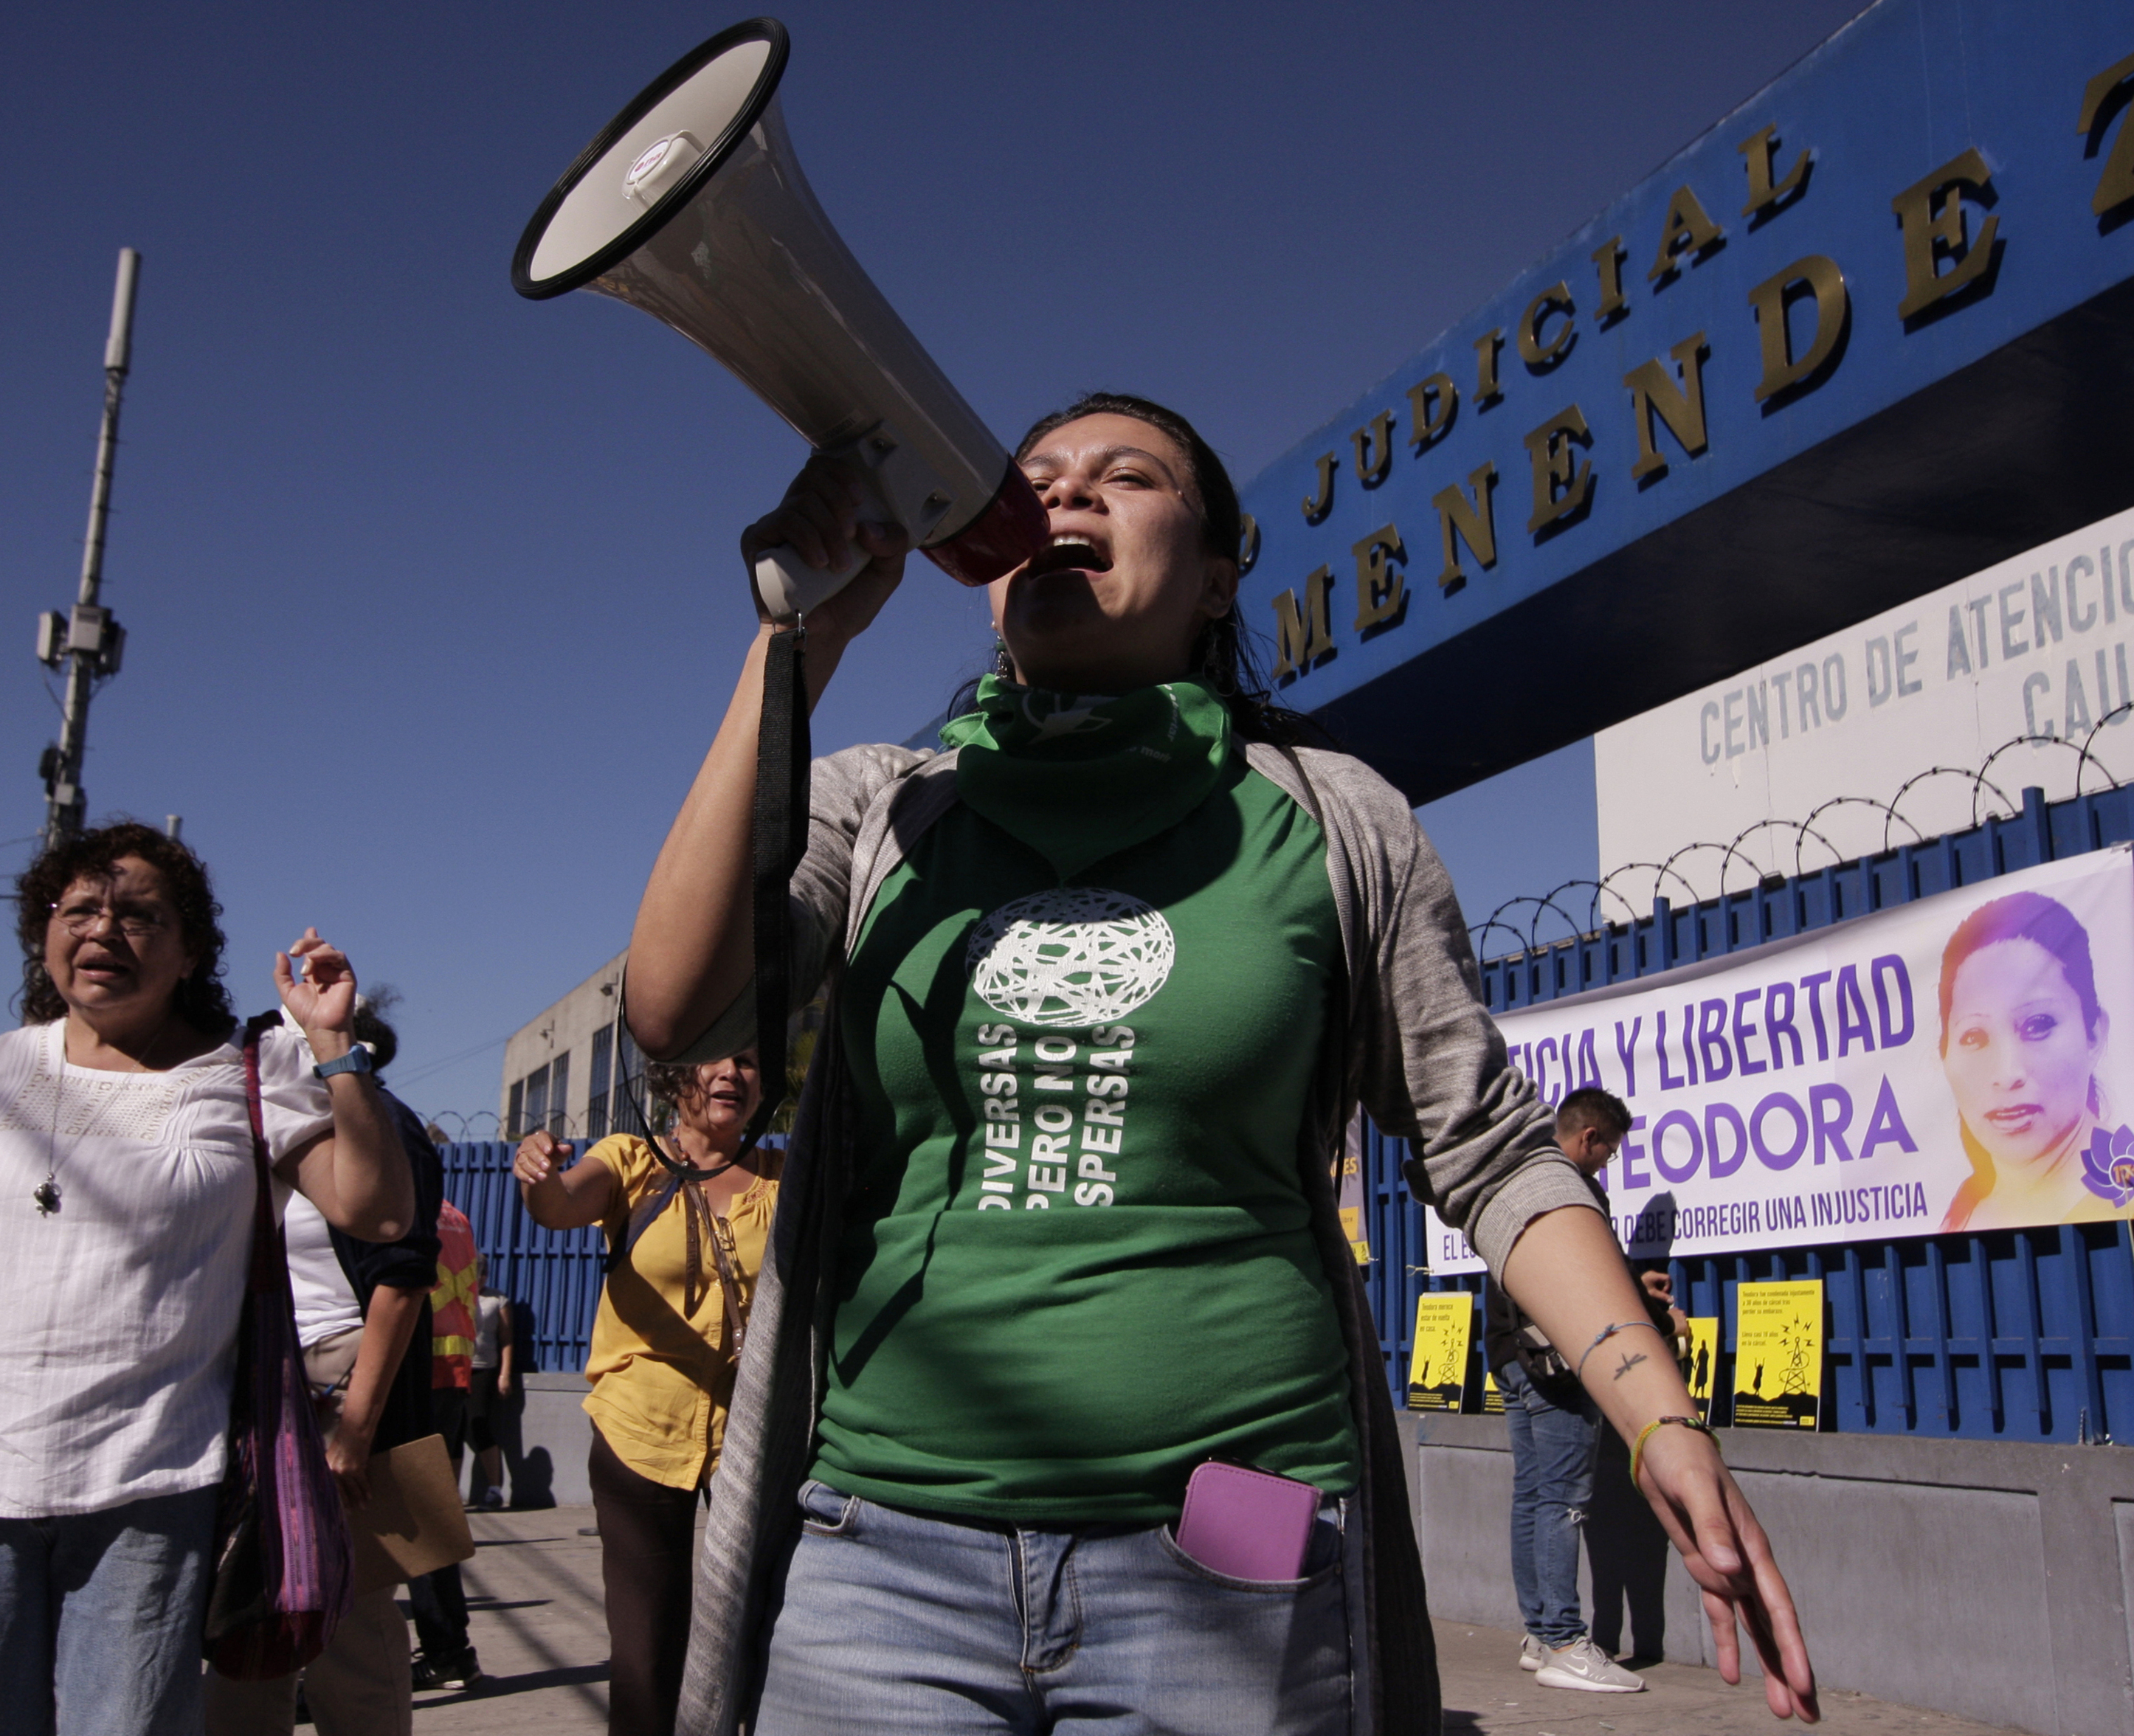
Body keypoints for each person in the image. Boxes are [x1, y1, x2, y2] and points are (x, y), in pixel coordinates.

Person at [624, 392, 1820, 1735]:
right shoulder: (885, 806)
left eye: (1122, 478)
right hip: (882, 1548)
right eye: (1033, 485)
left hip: (1236, 1537)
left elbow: (1483, 1146)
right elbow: (677, 1012)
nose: (1066, 497)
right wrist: (791, 638)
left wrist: (1658, 1416)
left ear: (1212, 577)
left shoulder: (1327, 816)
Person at [0, 822, 412, 1735]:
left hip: (147, 1491)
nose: (103, 929)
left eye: (138, 914)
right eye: (81, 908)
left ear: (188, 953)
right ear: (45, 930)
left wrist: (335, 1049)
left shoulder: (247, 1074)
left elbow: (378, 1214)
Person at [511, 1049, 780, 1736]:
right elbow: (563, 1203)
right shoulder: (631, 1158)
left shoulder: (783, 1177)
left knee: (767, 1641)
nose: (731, 1072)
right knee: (647, 1654)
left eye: (747, 1061)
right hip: (640, 1431)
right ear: (675, 1077)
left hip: (753, 1441)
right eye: (714, 1059)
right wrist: (538, 1177)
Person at [206, 997, 446, 1735]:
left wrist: (355, 1429)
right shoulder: (256, 1130)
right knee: (244, 1602)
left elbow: (402, 1279)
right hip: (258, 1380)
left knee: (351, 1612)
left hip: (340, 1371)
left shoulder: (379, 1124)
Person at [1485, 1087, 1687, 1693]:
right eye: (1609, 1151)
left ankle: (1542, 1632)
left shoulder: (1516, 1179)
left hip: (1510, 1356)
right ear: (1589, 1137)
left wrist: (1630, 1276)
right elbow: (1582, 1285)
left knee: (1531, 1494)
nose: (1608, 1164)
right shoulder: (1573, 1187)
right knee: (1564, 1499)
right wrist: (1659, 1322)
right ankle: (1569, 1643)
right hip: (1560, 1362)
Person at [1936, 890, 2127, 1231]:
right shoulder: (1961, 1215)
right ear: (1945, 1056)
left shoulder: (2124, 1195)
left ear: (2093, 1035)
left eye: (2038, 1025)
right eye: (1973, 1037)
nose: (2008, 1074)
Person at [410, 1197, 484, 1690]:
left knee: (414, 1520)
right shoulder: (454, 1215)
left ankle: (445, 1649)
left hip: (412, 1369)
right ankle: (450, 1647)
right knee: (431, 1513)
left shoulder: (397, 1197)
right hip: (452, 1370)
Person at [466, 1290, 514, 1510]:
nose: (479, 1277)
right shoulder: (452, 1293)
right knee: (453, 1429)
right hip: (452, 1365)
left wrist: (505, 1374)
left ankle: (494, 1489)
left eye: (483, 1272)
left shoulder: (496, 1300)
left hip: (483, 1367)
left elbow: (506, 1339)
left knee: (479, 1423)